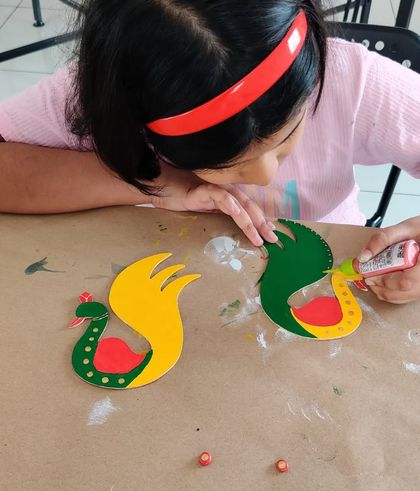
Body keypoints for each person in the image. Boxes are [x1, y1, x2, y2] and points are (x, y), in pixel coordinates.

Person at [0, 0, 419, 303]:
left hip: (331, 267)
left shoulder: (353, 80)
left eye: (287, 140)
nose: (264, 178)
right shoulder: (104, 96)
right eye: (225, 167)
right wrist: (158, 183)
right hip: (170, 275)